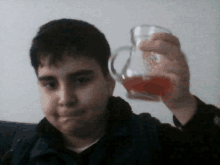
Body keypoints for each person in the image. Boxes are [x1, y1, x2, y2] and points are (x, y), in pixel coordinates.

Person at [1, 18, 220, 165]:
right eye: (50, 84)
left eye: (81, 80)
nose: (66, 99)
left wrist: (182, 104)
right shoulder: (23, 154)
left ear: (109, 83)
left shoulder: (152, 139)